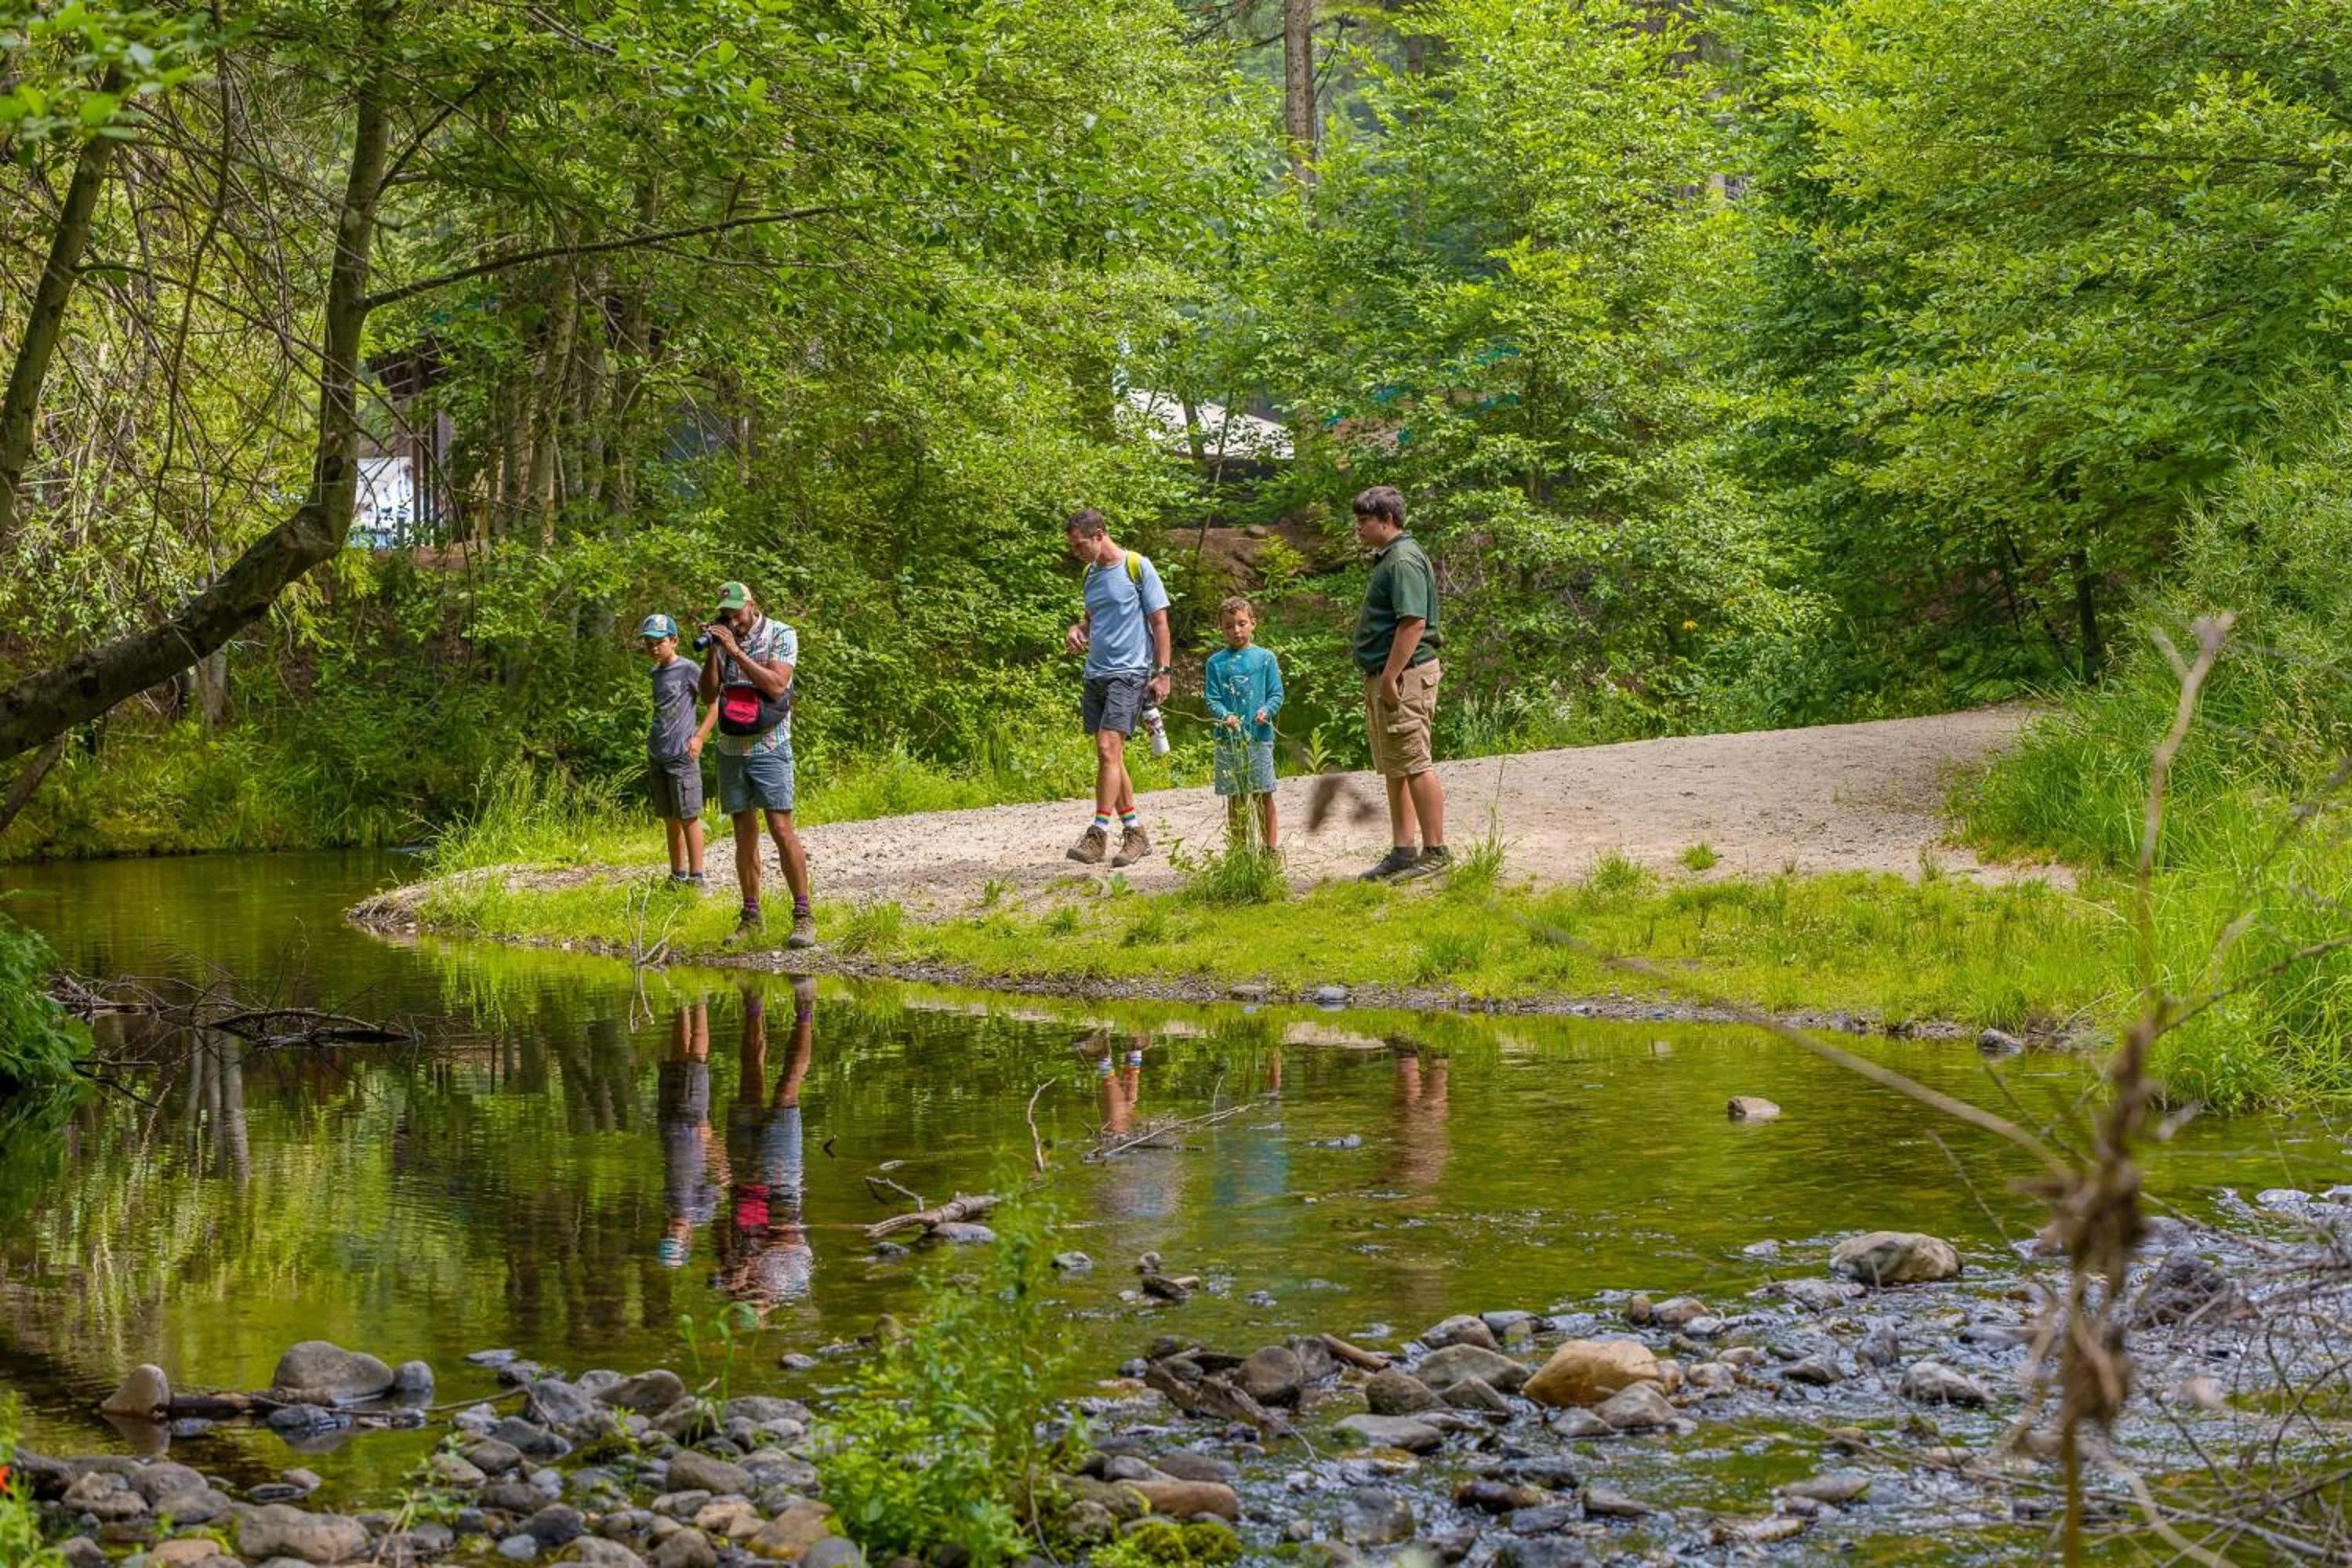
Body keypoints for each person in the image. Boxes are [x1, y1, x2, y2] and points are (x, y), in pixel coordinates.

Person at [697, 581, 815, 948]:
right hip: (732, 749)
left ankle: (803, 915)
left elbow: (778, 686)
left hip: (771, 746)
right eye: (727, 614)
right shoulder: (723, 640)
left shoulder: (782, 634)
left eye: (737, 611)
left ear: (751, 605)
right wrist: (714, 653)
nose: (733, 619)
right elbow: (707, 695)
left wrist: (736, 652)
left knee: (781, 829)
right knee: (743, 834)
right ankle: (751, 916)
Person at [1062, 508, 1171, 868]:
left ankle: (1098, 833)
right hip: (1096, 673)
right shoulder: (1090, 574)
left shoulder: (1137, 567)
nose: (1076, 552)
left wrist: (1164, 672)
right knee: (1112, 755)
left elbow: (1160, 622)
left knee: (1108, 748)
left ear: (1099, 535)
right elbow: (1093, 619)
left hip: (1130, 672)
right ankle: (1136, 832)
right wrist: (1078, 630)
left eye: (1079, 545)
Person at [1350, 486, 1449, 880]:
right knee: (1396, 764)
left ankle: (1437, 852)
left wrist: (1390, 675)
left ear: (1387, 521)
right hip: (1389, 676)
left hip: (1405, 677)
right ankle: (1403, 851)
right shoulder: (1390, 558)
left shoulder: (1403, 560)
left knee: (1415, 761)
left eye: (1364, 521)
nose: (1358, 528)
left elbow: (1413, 623)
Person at [717, 981, 816, 1312]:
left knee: (748, 1082)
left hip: (745, 1178)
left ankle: (753, 1005)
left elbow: (721, 1226)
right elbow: (794, 1240)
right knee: (787, 1090)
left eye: (744, 1296)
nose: (749, 1291)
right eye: (753, 1297)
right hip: (779, 1183)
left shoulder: (731, 1274)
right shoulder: (791, 1283)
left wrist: (734, 1264)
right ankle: (805, 1010)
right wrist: (758, 1260)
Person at [641, 613, 717, 886]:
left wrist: (699, 738)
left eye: (659, 642)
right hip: (658, 753)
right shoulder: (655, 673)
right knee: (670, 818)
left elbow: (714, 703)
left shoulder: (688, 669)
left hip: (682, 755)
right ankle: (677, 874)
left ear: (674, 641)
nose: (653, 648)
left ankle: (697, 877)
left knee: (688, 816)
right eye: (649, 643)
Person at [1203, 595, 1283, 852]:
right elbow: (1212, 699)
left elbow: (1276, 694)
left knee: (1263, 795)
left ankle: (1269, 850)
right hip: (1228, 741)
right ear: (1222, 629)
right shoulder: (1215, 663)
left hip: (1259, 737)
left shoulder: (1266, 658)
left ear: (1253, 624)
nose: (1236, 630)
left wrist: (1266, 711)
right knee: (1235, 797)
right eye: (1229, 626)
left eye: (1241, 623)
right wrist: (1225, 715)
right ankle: (1240, 853)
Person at [656, 999, 722, 1271]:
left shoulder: (668, 1205)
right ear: (686, 1241)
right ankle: (701, 1002)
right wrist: (709, 1137)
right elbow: (719, 1179)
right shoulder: (702, 1212)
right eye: (676, 1237)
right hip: (694, 1126)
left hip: (670, 1121)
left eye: (669, 1234)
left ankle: (681, 1003)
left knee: (675, 1060)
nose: (674, 1230)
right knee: (697, 1061)